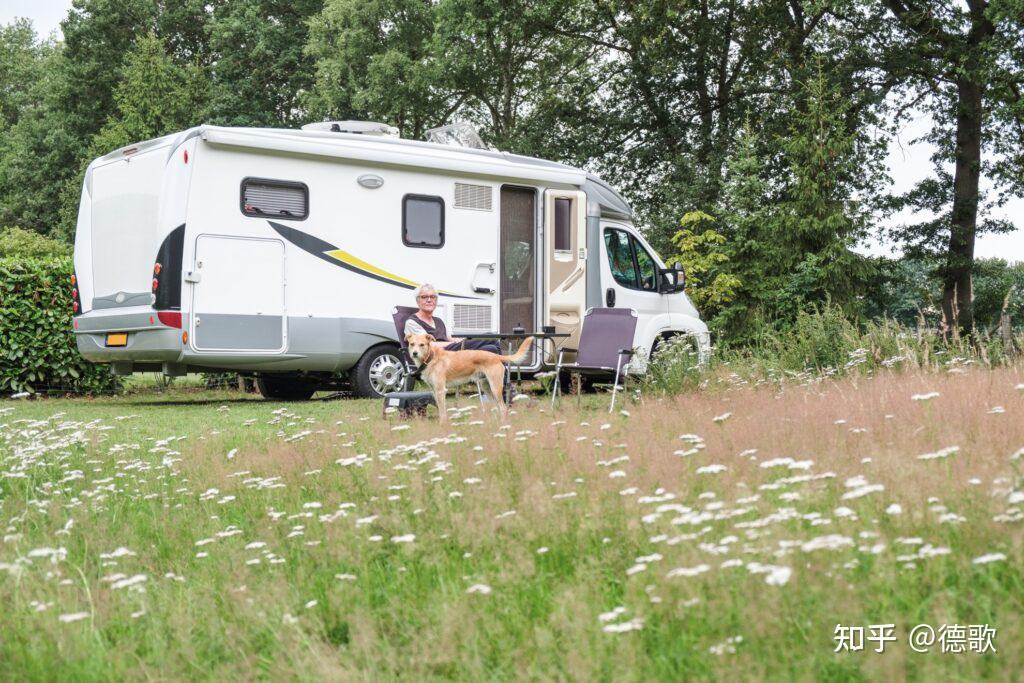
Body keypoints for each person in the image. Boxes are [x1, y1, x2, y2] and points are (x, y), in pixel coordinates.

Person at [405, 284, 501, 354]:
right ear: (418, 301)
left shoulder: (438, 321)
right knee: (490, 336)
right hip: (439, 356)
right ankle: (505, 377)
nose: (429, 300)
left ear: (436, 301)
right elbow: (430, 345)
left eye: (432, 297)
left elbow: (451, 338)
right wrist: (458, 344)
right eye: (424, 297)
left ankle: (503, 378)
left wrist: (459, 341)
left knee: (492, 348)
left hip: (451, 351)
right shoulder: (412, 322)